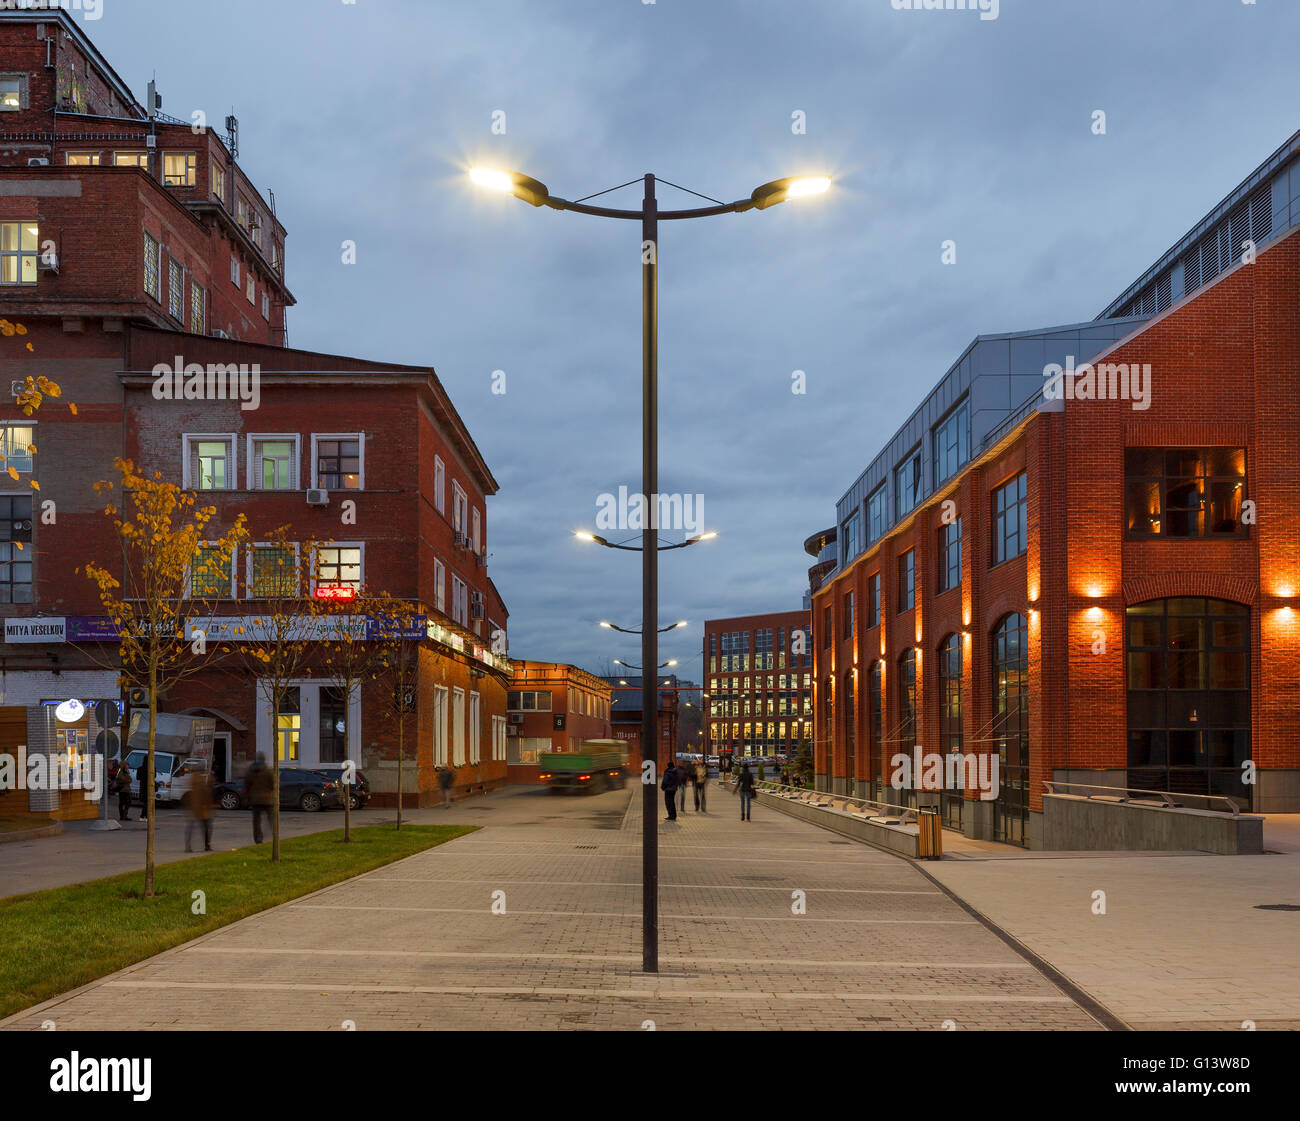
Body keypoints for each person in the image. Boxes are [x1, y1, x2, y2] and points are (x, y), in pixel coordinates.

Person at [184, 765, 214, 852]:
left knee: (191, 827)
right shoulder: (200, 780)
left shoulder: (193, 779)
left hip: (193, 807)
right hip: (200, 807)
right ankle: (207, 845)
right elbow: (204, 793)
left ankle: (188, 846)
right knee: (206, 827)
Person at [245, 753, 274, 844]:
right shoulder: (268, 771)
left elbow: (247, 784)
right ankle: (275, 835)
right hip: (267, 799)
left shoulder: (250, 771)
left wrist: (248, 795)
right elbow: (273, 784)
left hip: (255, 800)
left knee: (256, 821)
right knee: (271, 819)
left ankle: (258, 839)